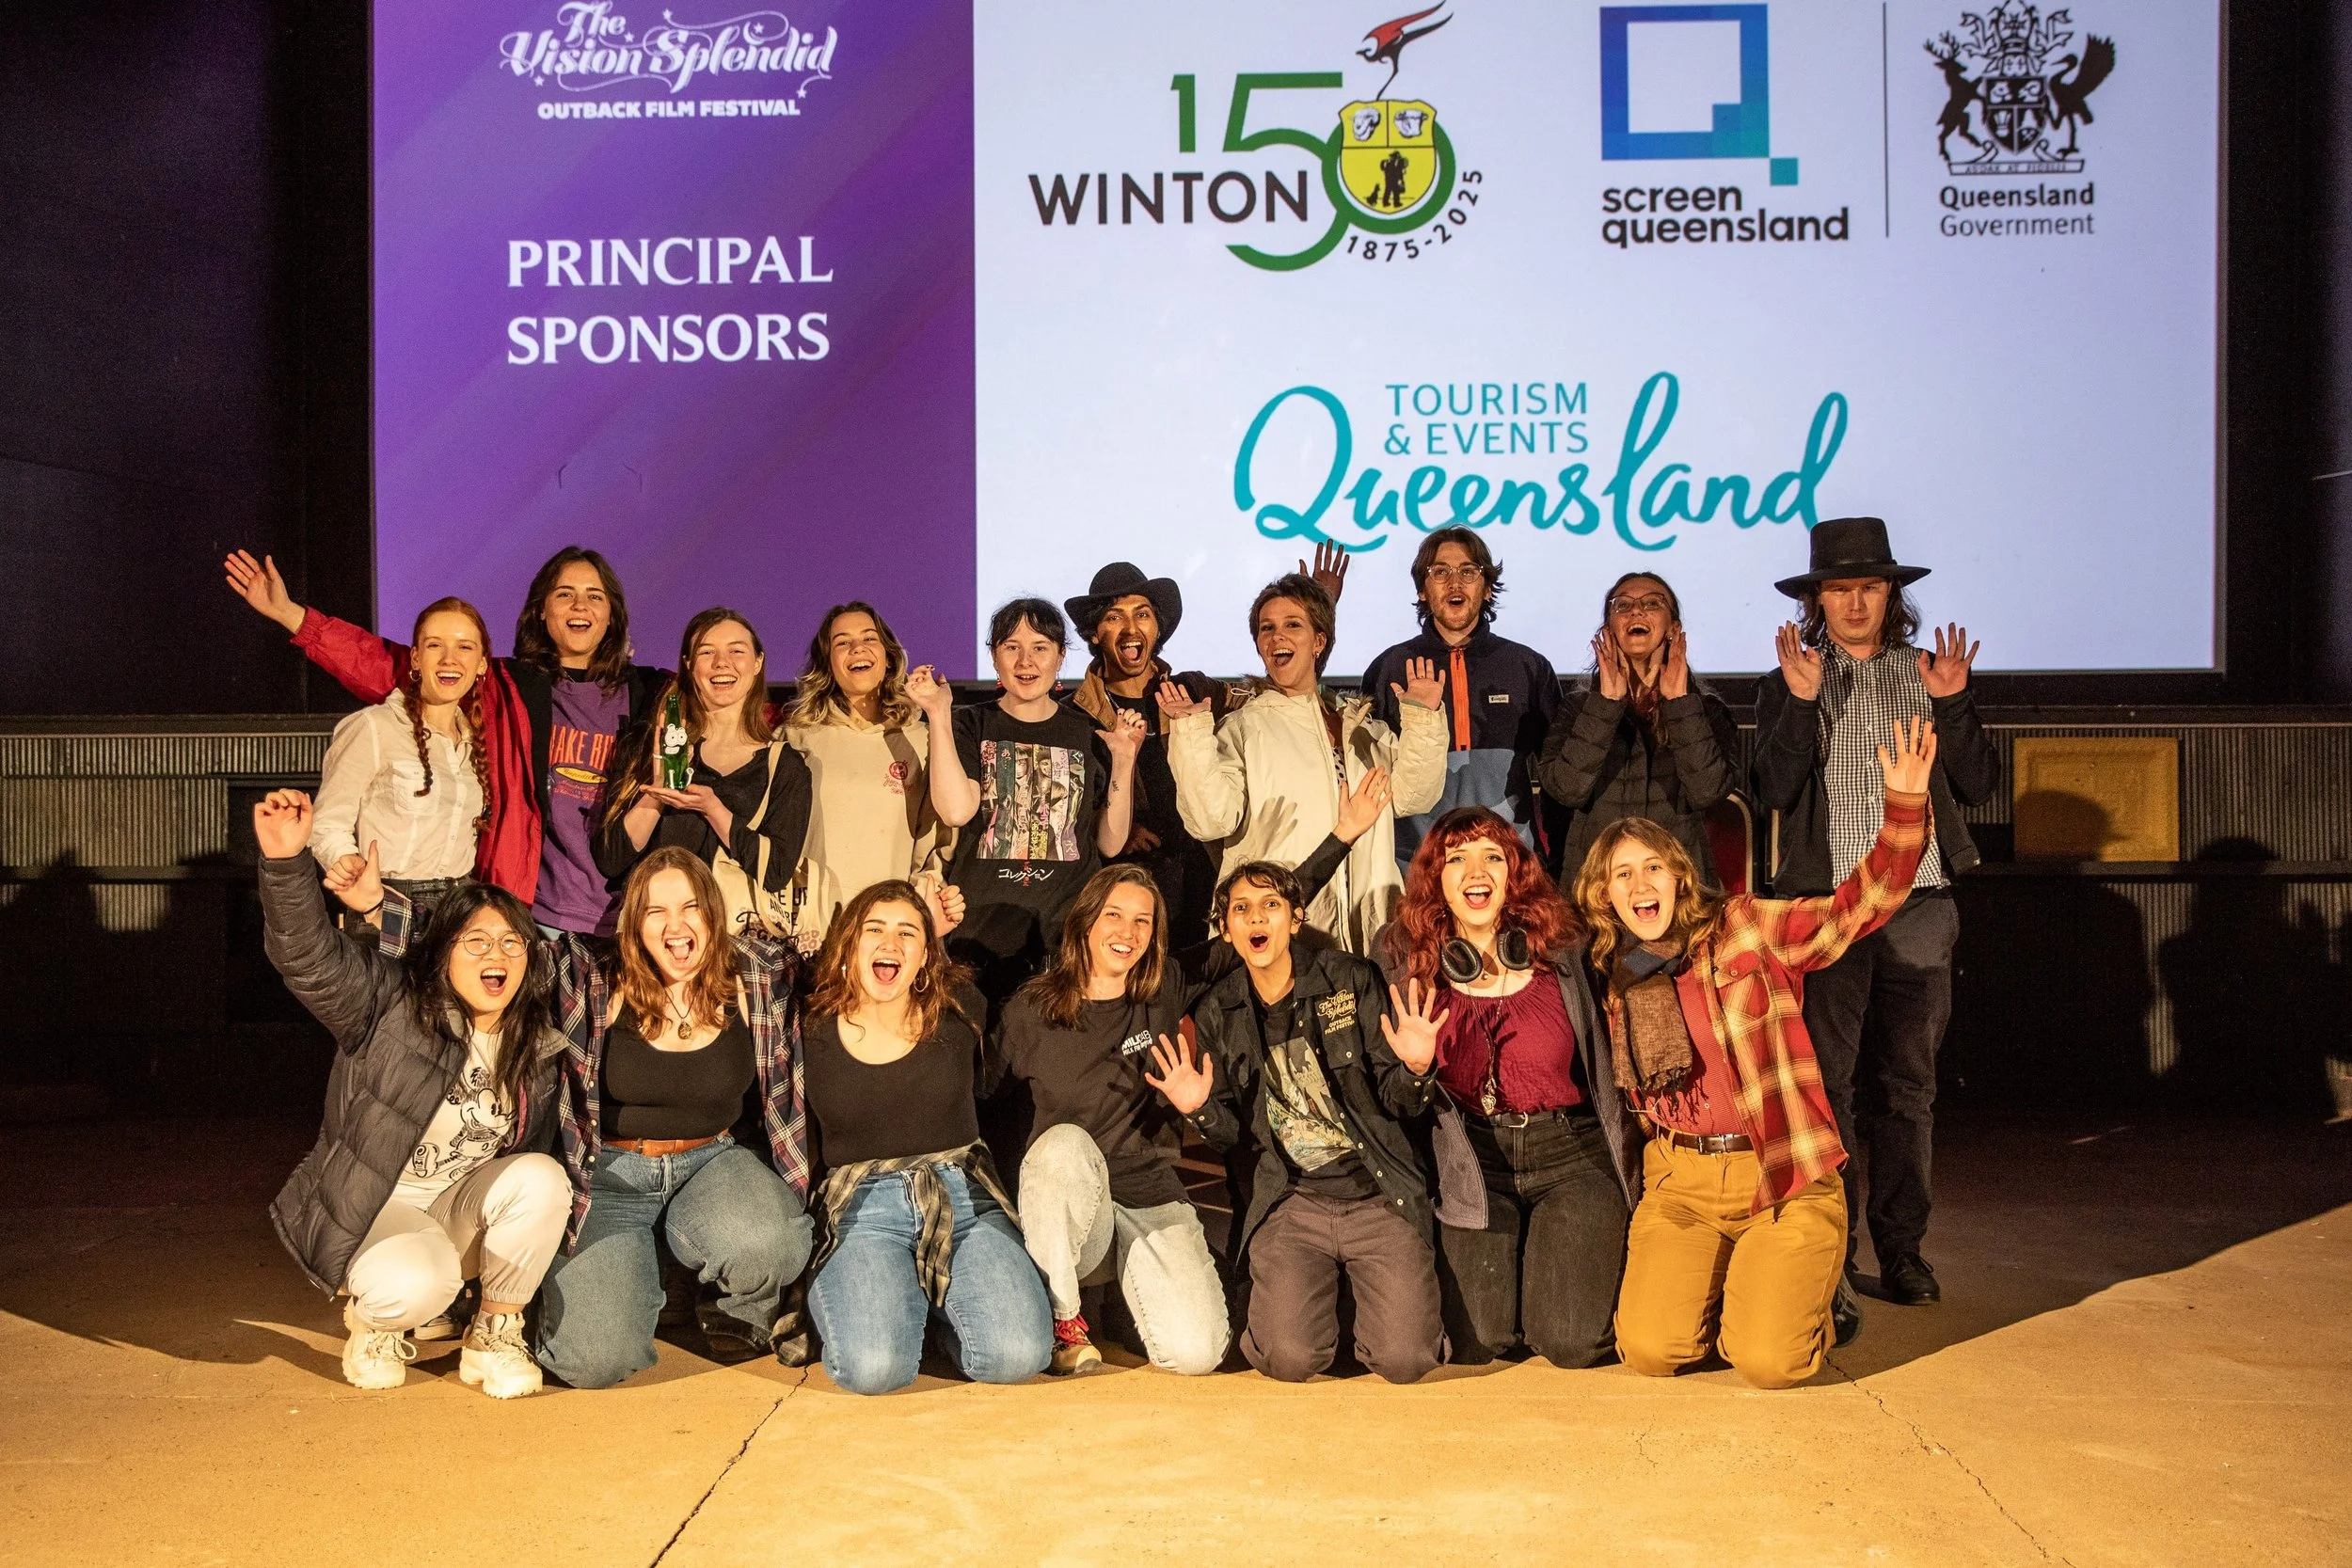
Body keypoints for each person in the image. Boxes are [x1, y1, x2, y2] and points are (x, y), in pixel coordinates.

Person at [337, 843, 821, 1387]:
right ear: (632, 924)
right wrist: (378, 904)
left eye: (690, 908)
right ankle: (621, 1276)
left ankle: (737, 1311)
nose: (675, 926)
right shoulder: (586, 976)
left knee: (770, 1240)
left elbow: (848, 976)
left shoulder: (757, 978)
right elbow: (490, 945)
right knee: (591, 1361)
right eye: (654, 911)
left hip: (712, 1162)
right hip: (605, 1176)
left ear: (712, 913)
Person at [1585, 717, 1940, 1389]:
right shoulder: (1615, 975)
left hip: (1778, 1175)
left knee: (1769, 1362)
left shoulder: (1742, 928)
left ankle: (1819, 1295)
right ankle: (1745, 1289)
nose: (1640, 884)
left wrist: (1904, 810)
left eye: (1653, 866)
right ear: (1607, 895)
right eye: (1622, 874)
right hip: (1679, 1185)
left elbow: (1855, 908)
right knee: (1654, 1349)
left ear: (1680, 876)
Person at [1752, 517, 1999, 1311]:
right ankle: (1831, 1256)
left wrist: (1956, 705)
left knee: (1905, 1086)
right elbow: (1773, 791)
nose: (1854, 601)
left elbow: (1980, 783)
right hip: (1829, 909)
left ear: (1891, 595)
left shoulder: (1928, 672)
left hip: (1918, 902)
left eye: (1868, 586)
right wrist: (1797, 705)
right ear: (1818, 599)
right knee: (1824, 1086)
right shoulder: (1795, 675)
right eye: (1838, 588)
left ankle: (1902, 1250)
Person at [253, 789, 567, 1399]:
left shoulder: (538, 1037)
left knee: (541, 1178)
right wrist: (286, 864)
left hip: (457, 1210)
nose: (495, 954)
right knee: (422, 1282)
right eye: (475, 941)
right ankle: (375, 1320)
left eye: (510, 942)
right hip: (376, 1204)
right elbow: (308, 959)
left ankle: (494, 1332)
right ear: (443, 953)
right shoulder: (390, 1004)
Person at [226, 546, 668, 934]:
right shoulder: (505, 686)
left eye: (595, 596)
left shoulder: (654, 694)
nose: (580, 605)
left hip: (630, 914)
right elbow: (383, 663)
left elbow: (720, 692)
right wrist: (290, 614)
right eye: (564, 594)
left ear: (612, 613)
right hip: (531, 918)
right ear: (541, 609)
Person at [1148, 860, 1450, 1385]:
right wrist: (1197, 1107)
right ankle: (1293, 1303)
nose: (1256, 917)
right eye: (1241, 909)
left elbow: (1401, 1104)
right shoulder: (1217, 1010)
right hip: (1293, 1203)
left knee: (1406, 1362)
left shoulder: (1350, 979)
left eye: (1271, 905)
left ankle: (1364, 1310)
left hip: (1378, 1196)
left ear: (1295, 918)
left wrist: (1418, 1068)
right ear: (1227, 929)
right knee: (1290, 1361)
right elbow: (1231, 1138)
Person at [1379, 806, 1641, 1368]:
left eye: (1492, 856)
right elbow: (1395, 1100)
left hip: (1570, 1154)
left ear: (1513, 872)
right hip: (1470, 1163)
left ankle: (1558, 1278)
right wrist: (1417, 1069)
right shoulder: (1405, 959)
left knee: (1569, 1343)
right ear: (1436, 879)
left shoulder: (1563, 944)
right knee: (1478, 1344)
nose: (1477, 871)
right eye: (1457, 859)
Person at [800, 880, 1054, 1395]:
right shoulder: (810, 1025)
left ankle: (940, 1315)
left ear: (926, 956)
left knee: (1017, 1356)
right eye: (875, 930)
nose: (889, 943)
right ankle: (887, 1301)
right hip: (862, 1212)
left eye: (906, 933)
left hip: (962, 1200)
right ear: (848, 945)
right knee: (875, 1371)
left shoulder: (960, 1009)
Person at [988, 864, 1232, 1378]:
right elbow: (981, 1099)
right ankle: (1064, 1321)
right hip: (1072, 1218)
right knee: (1063, 1146)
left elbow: (1256, 936)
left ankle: (1125, 1298)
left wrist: (1342, 839)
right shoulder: (1032, 1009)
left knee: (1197, 1354)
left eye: (1143, 921)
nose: (1128, 933)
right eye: (1114, 915)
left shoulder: (1162, 988)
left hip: (1147, 1195)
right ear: (1086, 920)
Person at [1066, 546, 1353, 945]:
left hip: (1196, 882)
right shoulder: (1074, 716)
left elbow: (1282, 692)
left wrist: (1318, 608)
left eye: (1143, 614)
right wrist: (1108, 826)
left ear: (1158, 628)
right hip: (1119, 893)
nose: (1131, 628)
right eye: (1115, 617)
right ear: (1095, 633)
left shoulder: (1193, 690)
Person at [1162, 573, 1447, 955]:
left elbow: (1415, 797)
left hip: (1371, 932)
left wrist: (1424, 717)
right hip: (1282, 936)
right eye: (1267, 628)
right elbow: (1212, 820)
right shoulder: (1245, 728)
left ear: (1319, 642)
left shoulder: (1361, 727)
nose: (1277, 636)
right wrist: (1190, 733)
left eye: (1292, 625)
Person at [912, 597, 1143, 1004]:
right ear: (994, 657)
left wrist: (1124, 759)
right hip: (978, 932)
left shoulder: (1087, 732)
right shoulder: (968, 722)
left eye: (1040, 647)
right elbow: (956, 810)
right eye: (1011, 647)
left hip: (1066, 934)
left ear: (1060, 657)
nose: (1026, 661)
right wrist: (939, 713)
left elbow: (1108, 844)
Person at [597, 609, 812, 938]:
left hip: (732, 949)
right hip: (653, 943)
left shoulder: (784, 765)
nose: (721, 662)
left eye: (736, 651)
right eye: (706, 652)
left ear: (757, 663)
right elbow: (611, 859)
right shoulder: (651, 744)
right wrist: (657, 789)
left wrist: (713, 809)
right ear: (688, 664)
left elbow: (776, 872)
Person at [1359, 528, 1560, 872]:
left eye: (1468, 572)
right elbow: (1369, 780)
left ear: (1486, 589)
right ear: (1423, 590)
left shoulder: (1528, 666)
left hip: (1509, 865)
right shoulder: (1388, 667)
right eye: (1440, 572)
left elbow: (1559, 784)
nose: (1455, 582)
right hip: (1417, 867)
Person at [1536, 572, 1742, 891]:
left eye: (1652, 603)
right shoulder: (1578, 708)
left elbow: (1708, 792)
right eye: (1623, 606)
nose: (1636, 611)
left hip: (1677, 891)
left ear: (1673, 629)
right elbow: (1566, 790)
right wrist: (1605, 705)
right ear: (1608, 630)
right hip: (1596, 891)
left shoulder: (1705, 710)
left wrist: (1679, 704)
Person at [308, 597, 495, 933]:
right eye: (435, 645)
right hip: (390, 899)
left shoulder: (476, 741)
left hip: (461, 908)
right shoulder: (374, 727)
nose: (449, 659)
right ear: (416, 658)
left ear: (482, 664)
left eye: (464, 647)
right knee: (392, 988)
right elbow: (328, 823)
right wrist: (349, 869)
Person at [786, 602, 943, 945]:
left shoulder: (921, 739)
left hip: (890, 933)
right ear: (828, 663)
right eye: (842, 642)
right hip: (814, 930)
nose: (857, 648)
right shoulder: (796, 738)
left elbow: (931, 846)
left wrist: (915, 913)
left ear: (888, 657)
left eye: (869, 638)